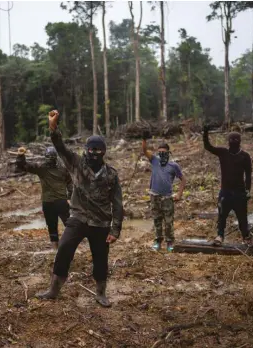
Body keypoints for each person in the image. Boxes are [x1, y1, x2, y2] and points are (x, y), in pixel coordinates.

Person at [36, 110, 123, 308]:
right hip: (78, 218)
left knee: (101, 259)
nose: (93, 153)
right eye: (90, 149)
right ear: (86, 149)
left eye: (97, 150)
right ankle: (53, 290)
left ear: (104, 152)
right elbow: (60, 148)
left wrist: (115, 229)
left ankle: (101, 293)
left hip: (101, 223)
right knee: (64, 249)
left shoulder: (111, 175)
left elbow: (117, 203)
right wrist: (53, 127)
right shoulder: (76, 163)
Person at [203, 125, 253, 246]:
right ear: (228, 141)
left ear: (240, 141)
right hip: (225, 191)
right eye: (231, 140)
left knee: (242, 218)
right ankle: (220, 236)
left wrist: (247, 191)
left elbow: (248, 175)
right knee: (222, 216)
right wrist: (205, 133)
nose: (234, 142)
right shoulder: (223, 152)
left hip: (240, 192)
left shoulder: (245, 156)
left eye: (236, 140)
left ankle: (246, 238)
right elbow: (208, 147)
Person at [16, 146, 73, 249]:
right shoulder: (61, 168)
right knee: (69, 225)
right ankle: (64, 247)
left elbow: (22, 166)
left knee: (53, 227)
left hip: (50, 203)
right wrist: (70, 197)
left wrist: (21, 155)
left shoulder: (41, 168)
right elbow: (70, 183)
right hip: (60, 202)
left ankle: (57, 248)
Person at [141, 133, 186, 252]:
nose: (161, 154)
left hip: (167, 197)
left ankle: (170, 242)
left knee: (169, 221)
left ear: (168, 153)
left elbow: (183, 179)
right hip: (154, 195)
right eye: (159, 152)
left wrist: (179, 194)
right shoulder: (154, 160)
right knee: (157, 219)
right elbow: (145, 150)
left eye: (164, 152)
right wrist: (144, 138)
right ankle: (157, 241)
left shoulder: (173, 165)